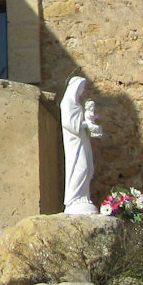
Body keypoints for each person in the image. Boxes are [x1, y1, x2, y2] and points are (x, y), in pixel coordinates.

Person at [61, 75, 103, 214]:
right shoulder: (67, 103)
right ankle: (74, 199)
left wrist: (90, 124)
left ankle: (83, 198)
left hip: (82, 139)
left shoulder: (76, 104)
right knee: (80, 168)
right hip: (74, 142)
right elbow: (70, 124)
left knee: (89, 168)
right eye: (81, 88)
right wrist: (88, 125)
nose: (82, 91)